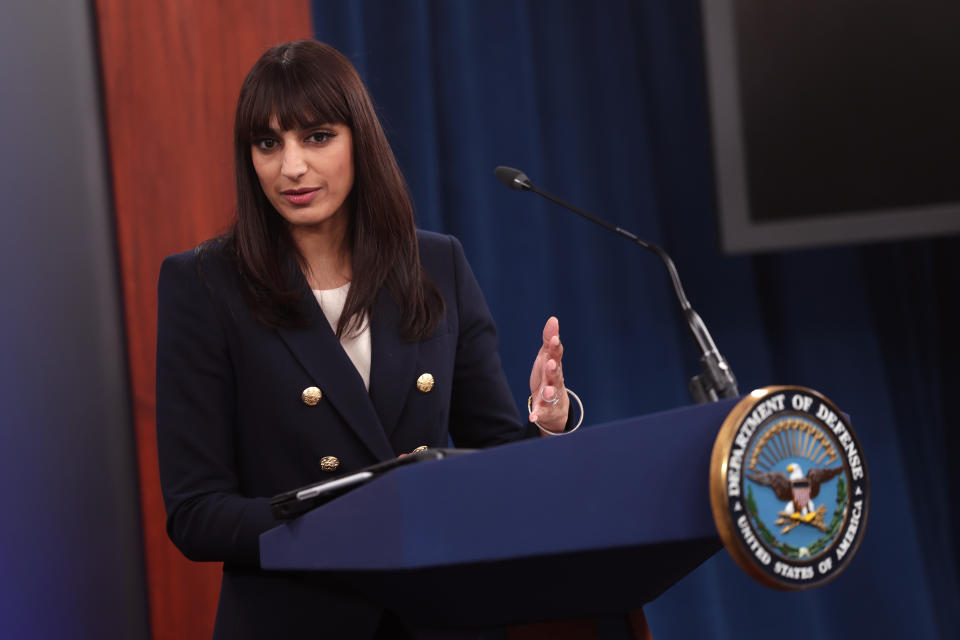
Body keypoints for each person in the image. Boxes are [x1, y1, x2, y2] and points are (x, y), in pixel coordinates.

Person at [156, 40, 575, 639]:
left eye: (317, 136)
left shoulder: (438, 264)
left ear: (360, 140)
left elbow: (495, 469)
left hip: (436, 617)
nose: (291, 166)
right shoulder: (202, 283)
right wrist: (351, 515)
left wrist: (544, 424)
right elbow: (196, 515)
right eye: (268, 143)